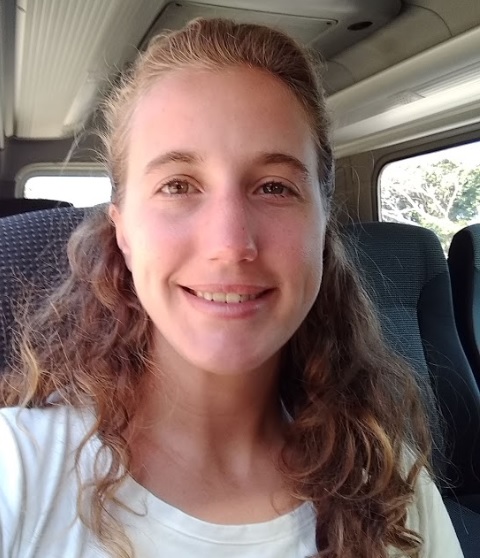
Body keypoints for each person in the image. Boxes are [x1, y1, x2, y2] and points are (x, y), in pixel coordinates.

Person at [0, 17, 464, 558]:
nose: (230, 243)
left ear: (322, 225)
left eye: (274, 187)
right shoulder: (16, 472)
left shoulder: (392, 487)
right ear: (122, 232)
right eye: (178, 185)